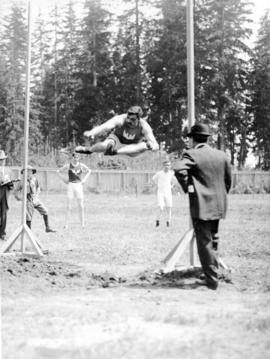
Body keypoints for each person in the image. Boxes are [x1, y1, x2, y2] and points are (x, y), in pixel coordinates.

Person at [174, 123, 232, 290]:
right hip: (219, 205)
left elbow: (178, 169)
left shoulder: (192, 154)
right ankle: (210, 273)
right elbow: (228, 181)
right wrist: (219, 195)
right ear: (206, 138)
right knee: (213, 240)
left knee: (204, 242)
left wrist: (190, 188)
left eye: (189, 138)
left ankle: (211, 281)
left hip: (201, 205)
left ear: (192, 139)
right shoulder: (221, 155)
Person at [75, 105, 159, 157]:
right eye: (128, 118)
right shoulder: (121, 118)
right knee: (105, 145)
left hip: (132, 147)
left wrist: (152, 147)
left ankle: (115, 152)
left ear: (139, 118)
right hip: (117, 139)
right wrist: (91, 132)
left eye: (133, 119)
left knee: (144, 145)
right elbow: (105, 126)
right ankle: (89, 150)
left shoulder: (144, 126)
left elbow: (156, 146)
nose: (129, 121)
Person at [14, 166, 56, 232]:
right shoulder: (21, 181)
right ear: (24, 173)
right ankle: (29, 232)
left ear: (32, 172)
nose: (28, 173)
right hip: (27, 199)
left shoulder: (35, 180)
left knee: (45, 211)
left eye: (30, 171)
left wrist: (36, 196)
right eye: (26, 172)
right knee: (28, 217)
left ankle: (47, 227)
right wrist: (18, 198)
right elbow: (15, 191)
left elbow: (38, 188)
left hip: (35, 198)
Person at [57, 152, 91, 228]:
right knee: (68, 206)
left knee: (81, 205)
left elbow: (89, 171)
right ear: (72, 158)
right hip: (71, 185)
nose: (76, 159)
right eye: (74, 157)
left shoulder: (81, 165)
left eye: (77, 157)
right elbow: (58, 171)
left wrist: (84, 179)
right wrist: (64, 179)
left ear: (79, 158)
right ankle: (66, 224)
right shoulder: (68, 165)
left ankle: (82, 224)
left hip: (79, 185)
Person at [152, 159, 176, 227]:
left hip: (168, 192)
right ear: (163, 165)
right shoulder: (159, 173)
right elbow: (153, 179)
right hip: (161, 192)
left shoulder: (171, 173)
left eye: (168, 165)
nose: (167, 166)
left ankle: (168, 223)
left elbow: (175, 181)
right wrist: (158, 185)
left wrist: (171, 186)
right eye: (165, 165)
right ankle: (157, 221)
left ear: (170, 166)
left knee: (169, 208)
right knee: (161, 207)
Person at [0, 150, 13, 240]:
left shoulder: (9, 170)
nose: (2, 161)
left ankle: (2, 233)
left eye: (3, 159)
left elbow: (12, 185)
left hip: (5, 195)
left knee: (4, 214)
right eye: (0, 160)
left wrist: (9, 183)